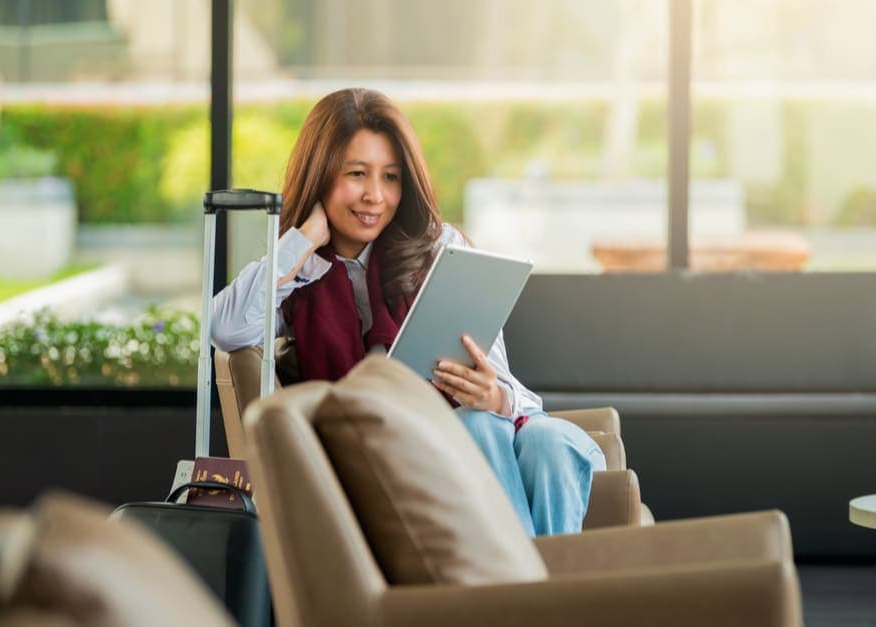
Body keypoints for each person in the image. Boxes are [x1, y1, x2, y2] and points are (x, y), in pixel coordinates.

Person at [210, 87, 605, 536]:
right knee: (483, 428)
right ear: (320, 176)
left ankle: (519, 598)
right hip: (396, 457)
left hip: (488, 430)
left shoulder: (438, 248)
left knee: (544, 439)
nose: (375, 196)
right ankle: (538, 599)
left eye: (391, 177)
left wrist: (492, 396)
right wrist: (301, 242)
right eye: (356, 174)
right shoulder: (299, 274)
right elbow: (225, 327)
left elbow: (507, 389)